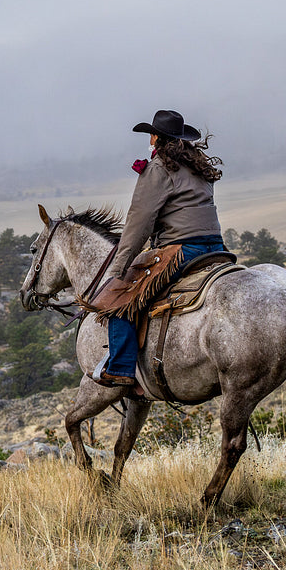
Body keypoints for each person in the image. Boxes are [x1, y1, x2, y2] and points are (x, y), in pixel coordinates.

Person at [91, 109, 226, 391]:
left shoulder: (158, 169)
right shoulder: (198, 166)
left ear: (155, 138)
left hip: (181, 248)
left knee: (122, 297)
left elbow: (139, 222)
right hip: (216, 247)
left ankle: (120, 367)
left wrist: (118, 270)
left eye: (151, 135)